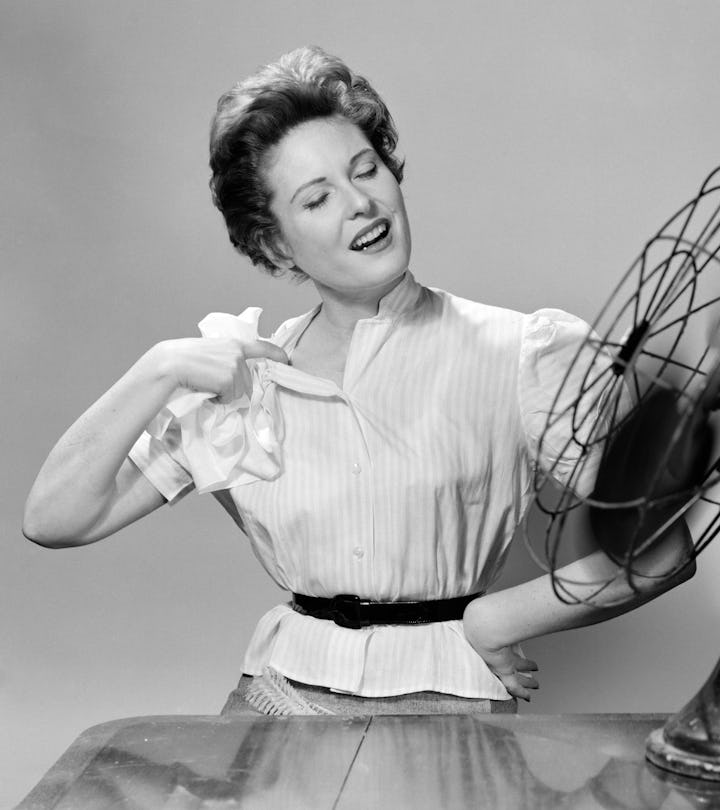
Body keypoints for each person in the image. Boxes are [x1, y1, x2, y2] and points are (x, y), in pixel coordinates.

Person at [22, 46, 695, 716]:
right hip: (276, 698)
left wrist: (497, 622)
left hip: (451, 703)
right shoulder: (240, 380)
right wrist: (159, 367)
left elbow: (658, 548)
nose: (361, 204)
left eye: (366, 170)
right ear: (277, 244)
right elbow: (55, 519)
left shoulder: (525, 351)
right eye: (317, 199)